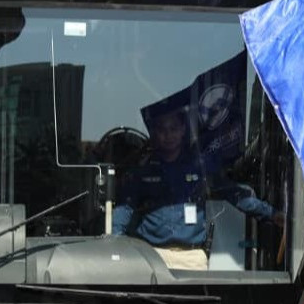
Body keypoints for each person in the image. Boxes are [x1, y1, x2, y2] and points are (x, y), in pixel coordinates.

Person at [113, 106, 281, 270]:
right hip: (151, 256)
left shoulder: (199, 169)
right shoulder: (142, 171)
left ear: (183, 130)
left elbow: (236, 195)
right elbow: (124, 209)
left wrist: (272, 214)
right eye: (162, 129)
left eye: (173, 128)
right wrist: (114, 245)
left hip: (191, 258)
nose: (168, 135)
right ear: (154, 132)